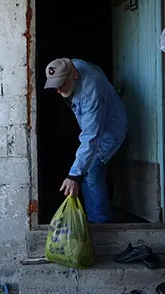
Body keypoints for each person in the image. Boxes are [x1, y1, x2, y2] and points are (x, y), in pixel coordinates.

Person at [44, 58, 128, 223]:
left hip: (109, 130)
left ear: (73, 74)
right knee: (85, 171)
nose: (59, 91)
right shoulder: (74, 65)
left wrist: (74, 175)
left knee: (92, 172)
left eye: (62, 84)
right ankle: (91, 218)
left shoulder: (91, 93)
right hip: (96, 126)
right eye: (56, 85)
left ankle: (102, 224)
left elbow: (91, 136)